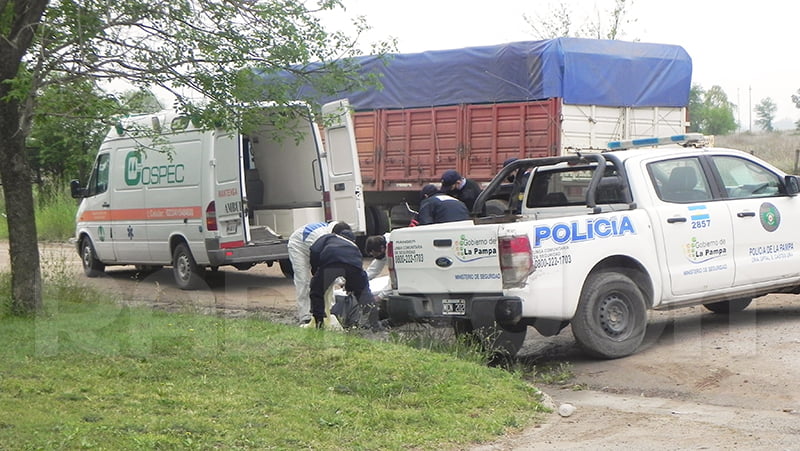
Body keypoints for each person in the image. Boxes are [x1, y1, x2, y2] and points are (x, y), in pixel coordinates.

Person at [308, 228, 380, 330]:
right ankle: (375, 325)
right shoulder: (353, 246)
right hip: (353, 265)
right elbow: (359, 263)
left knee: (316, 291)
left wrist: (316, 272)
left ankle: (319, 323)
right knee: (363, 293)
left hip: (331, 262)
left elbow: (314, 250)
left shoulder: (328, 237)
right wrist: (351, 285)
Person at [287, 220, 351, 325]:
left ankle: (330, 312)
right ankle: (305, 316)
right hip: (298, 246)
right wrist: (340, 280)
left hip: (312, 247)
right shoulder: (320, 238)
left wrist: (345, 279)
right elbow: (325, 264)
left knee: (329, 281)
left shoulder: (337, 234)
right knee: (303, 281)